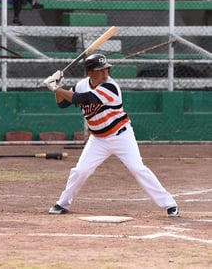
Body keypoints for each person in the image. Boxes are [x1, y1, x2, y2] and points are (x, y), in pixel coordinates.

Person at [43, 54, 179, 218]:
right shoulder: (81, 84)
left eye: (107, 69)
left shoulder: (110, 87)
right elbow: (63, 103)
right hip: (98, 139)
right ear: (90, 72)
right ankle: (62, 204)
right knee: (80, 171)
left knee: (138, 168)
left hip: (121, 135)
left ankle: (169, 204)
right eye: (101, 70)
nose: (106, 73)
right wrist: (59, 86)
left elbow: (83, 99)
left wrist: (56, 88)